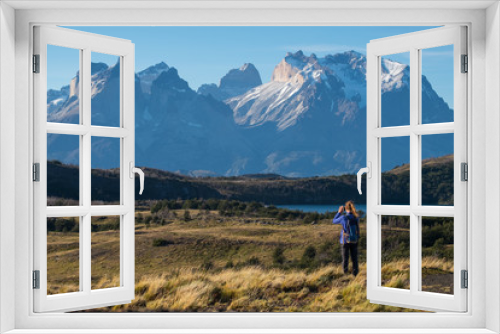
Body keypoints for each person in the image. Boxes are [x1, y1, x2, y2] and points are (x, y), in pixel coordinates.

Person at [332, 201, 360, 276]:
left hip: (345, 241)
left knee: (345, 258)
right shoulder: (356, 217)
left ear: (345, 208)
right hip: (354, 240)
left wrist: (339, 212)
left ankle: (345, 274)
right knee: (354, 258)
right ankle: (355, 274)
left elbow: (334, 221)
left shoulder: (344, 217)